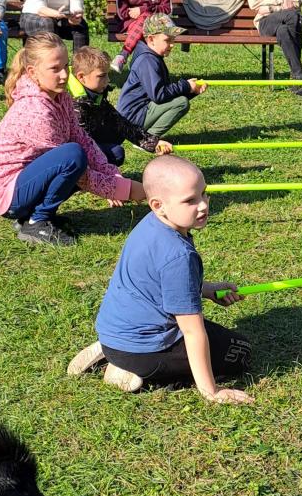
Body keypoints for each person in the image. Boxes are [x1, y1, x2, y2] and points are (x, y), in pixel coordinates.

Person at [69, 156, 253, 402]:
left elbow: (156, 283)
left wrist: (206, 289)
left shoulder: (150, 224)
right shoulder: (178, 255)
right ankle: (129, 371)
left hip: (113, 333)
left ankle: (112, 351)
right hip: (141, 350)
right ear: (158, 205)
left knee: (220, 344)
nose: (203, 205)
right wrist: (212, 391)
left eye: (204, 194)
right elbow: (192, 330)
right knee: (240, 352)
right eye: (190, 200)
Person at [0, 33, 148, 247]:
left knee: (93, 152)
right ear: (32, 72)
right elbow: (80, 173)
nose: (63, 75)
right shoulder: (35, 111)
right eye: (54, 69)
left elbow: (81, 137)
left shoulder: (60, 96)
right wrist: (125, 189)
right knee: (73, 156)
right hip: (8, 195)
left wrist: (112, 174)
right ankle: (37, 221)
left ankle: (37, 214)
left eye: (65, 66)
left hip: (26, 180)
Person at [69, 45, 173, 167]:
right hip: (75, 151)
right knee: (116, 153)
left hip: (89, 141)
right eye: (102, 76)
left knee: (118, 132)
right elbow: (83, 143)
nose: (108, 80)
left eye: (107, 75)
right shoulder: (76, 104)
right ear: (81, 77)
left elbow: (120, 123)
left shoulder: (94, 95)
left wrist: (154, 143)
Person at [116, 14, 207, 139]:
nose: (172, 44)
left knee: (180, 100)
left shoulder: (152, 57)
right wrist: (186, 86)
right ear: (151, 39)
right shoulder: (147, 60)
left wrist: (191, 90)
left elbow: (165, 94)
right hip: (131, 118)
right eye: (167, 40)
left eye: (173, 40)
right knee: (181, 103)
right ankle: (146, 139)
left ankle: (144, 137)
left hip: (137, 114)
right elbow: (159, 95)